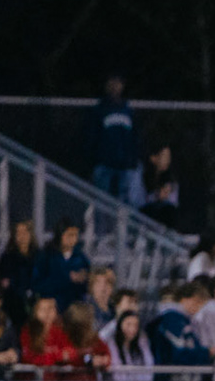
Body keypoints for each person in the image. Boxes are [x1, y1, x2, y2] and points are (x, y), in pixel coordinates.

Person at [89, 74, 141, 202]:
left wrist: (132, 161)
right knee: (101, 200)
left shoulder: (128, 110)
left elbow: (135, 137)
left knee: (124, 202)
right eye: (112, 83)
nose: (115, 87)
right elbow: (92, 136)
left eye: (118, 83)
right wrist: (95, 160)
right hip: (104, 164)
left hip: (125, 165)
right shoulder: (100, 109)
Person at [31, 221, 90, 311]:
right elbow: (37, 284)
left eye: (75, 235)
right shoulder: (46, 256)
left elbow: (87, 285)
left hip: (74, 308)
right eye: (69, 235)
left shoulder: (81, 257)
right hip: (51, 307)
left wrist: (84, 278)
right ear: (60, 235)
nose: (73, 239)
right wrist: (67, 278)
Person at [0, 220, 37, 324]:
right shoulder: (7, 257)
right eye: (18, 233)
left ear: (31, 234)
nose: (22, 236)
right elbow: (5, 284)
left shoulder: (40, 256)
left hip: (35, 301)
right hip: (14, 304)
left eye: (25, 232)